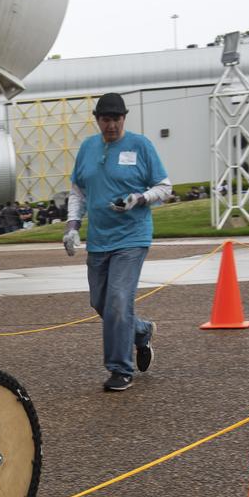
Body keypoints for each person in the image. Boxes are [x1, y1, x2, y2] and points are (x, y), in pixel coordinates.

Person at [64, 91, 173, 392]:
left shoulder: (141, 146)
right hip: (99, 240)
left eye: (117, 119)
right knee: (101, 302)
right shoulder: (87, 148)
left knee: (118, 301)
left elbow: (164, 187)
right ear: (97, 120)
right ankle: (141, 331)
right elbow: (78, 192)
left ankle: (120, 369)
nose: (111, 125)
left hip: (132, 237)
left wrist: (140, 198)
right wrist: (73, 226)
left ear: (124, 118)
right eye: (106, 119)